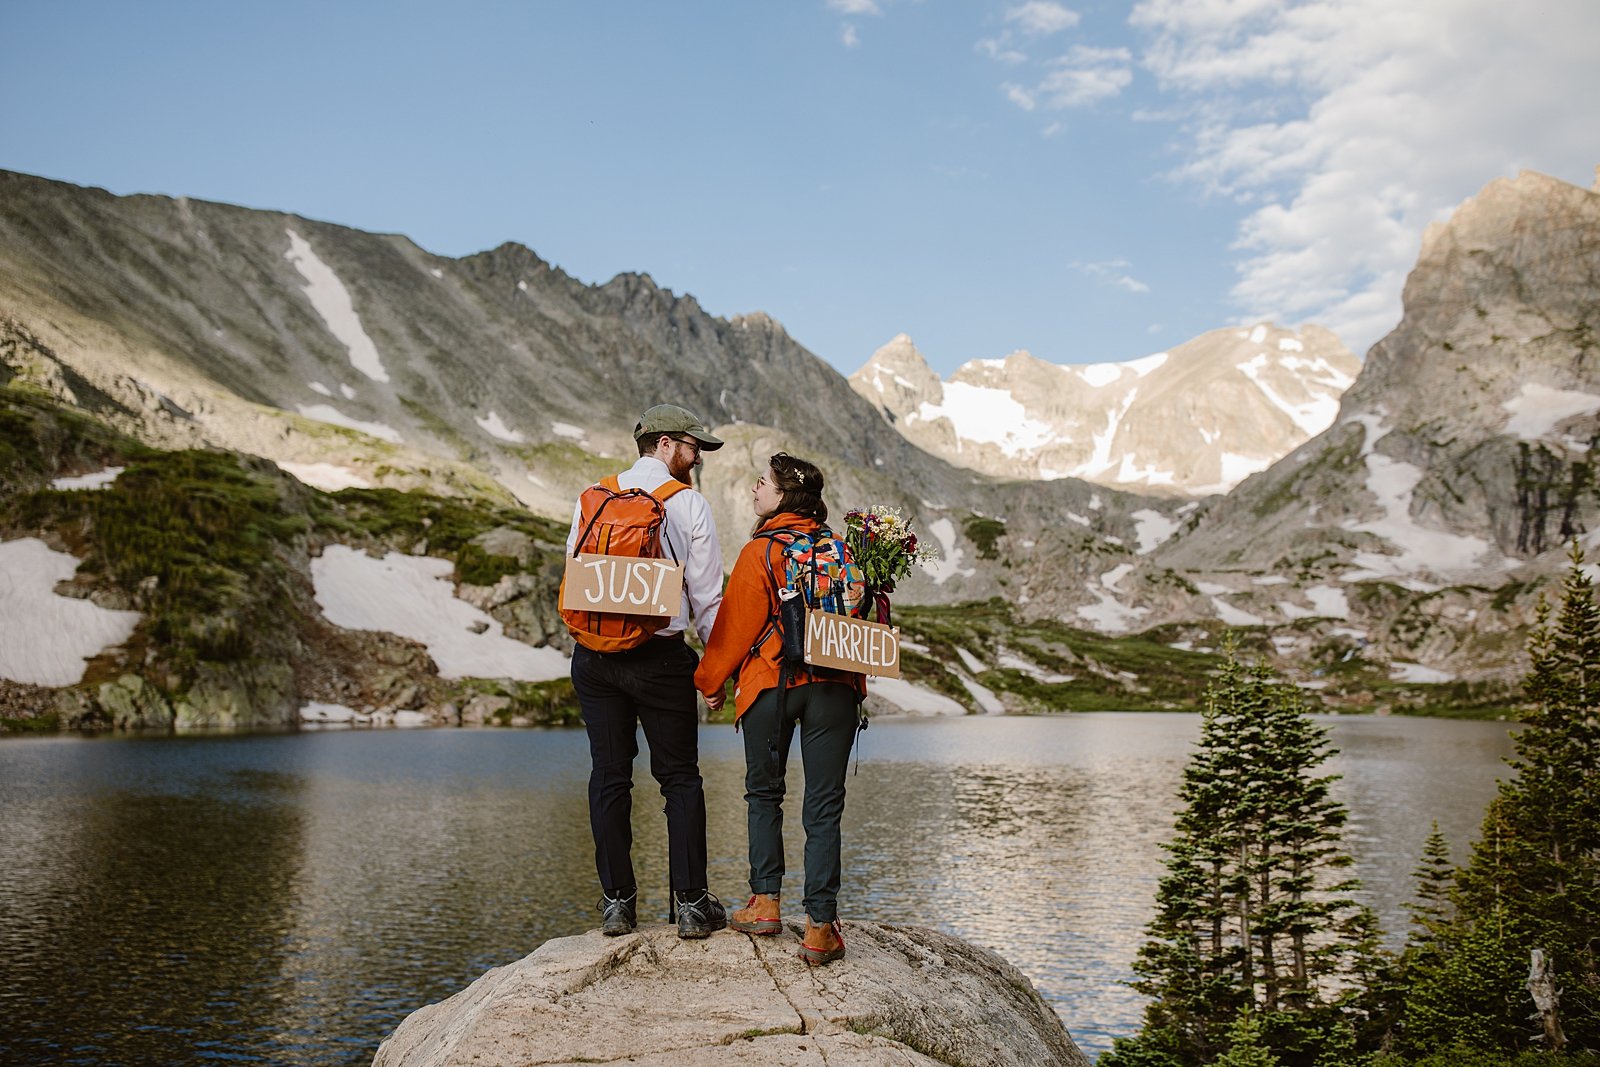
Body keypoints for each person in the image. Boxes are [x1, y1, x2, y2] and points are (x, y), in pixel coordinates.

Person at [694, 452, 864, 965]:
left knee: (764, 793)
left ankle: (765, 903)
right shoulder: (844, 550)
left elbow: (734, 628)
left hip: (773, 683)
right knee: (824, 804)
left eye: (763, 483)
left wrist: (709, 681)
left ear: (784, 495)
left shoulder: (761, 551)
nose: (754, 489)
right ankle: (819, 928)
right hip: (835, 686)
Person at [567, 403, 728, 939]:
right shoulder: (689, 505)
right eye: (692, 445)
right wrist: (717, 669)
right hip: (660, 658)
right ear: (664, 444)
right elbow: (706, 599)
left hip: (594, 657)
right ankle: (690, 903)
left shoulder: (594, 495)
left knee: (609, 776)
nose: (697, 455)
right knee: (679, 779)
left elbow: (575, 568)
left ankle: (617, 903)